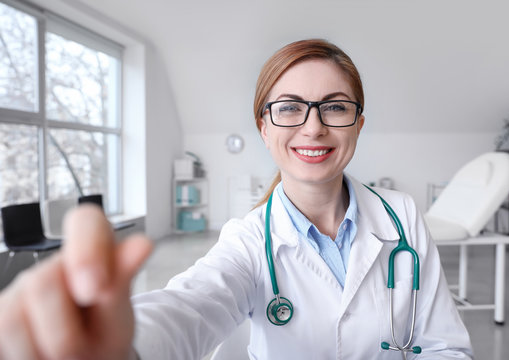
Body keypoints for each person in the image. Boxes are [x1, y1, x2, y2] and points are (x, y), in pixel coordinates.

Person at [0, 39, 473, 360]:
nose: (313, 127)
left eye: (334, 106)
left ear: (358, 123)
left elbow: (446, 346)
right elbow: (190, 304)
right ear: (264, 128)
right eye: (289, 108)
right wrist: (126, 345)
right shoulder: (248, 242)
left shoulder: (402, 215)